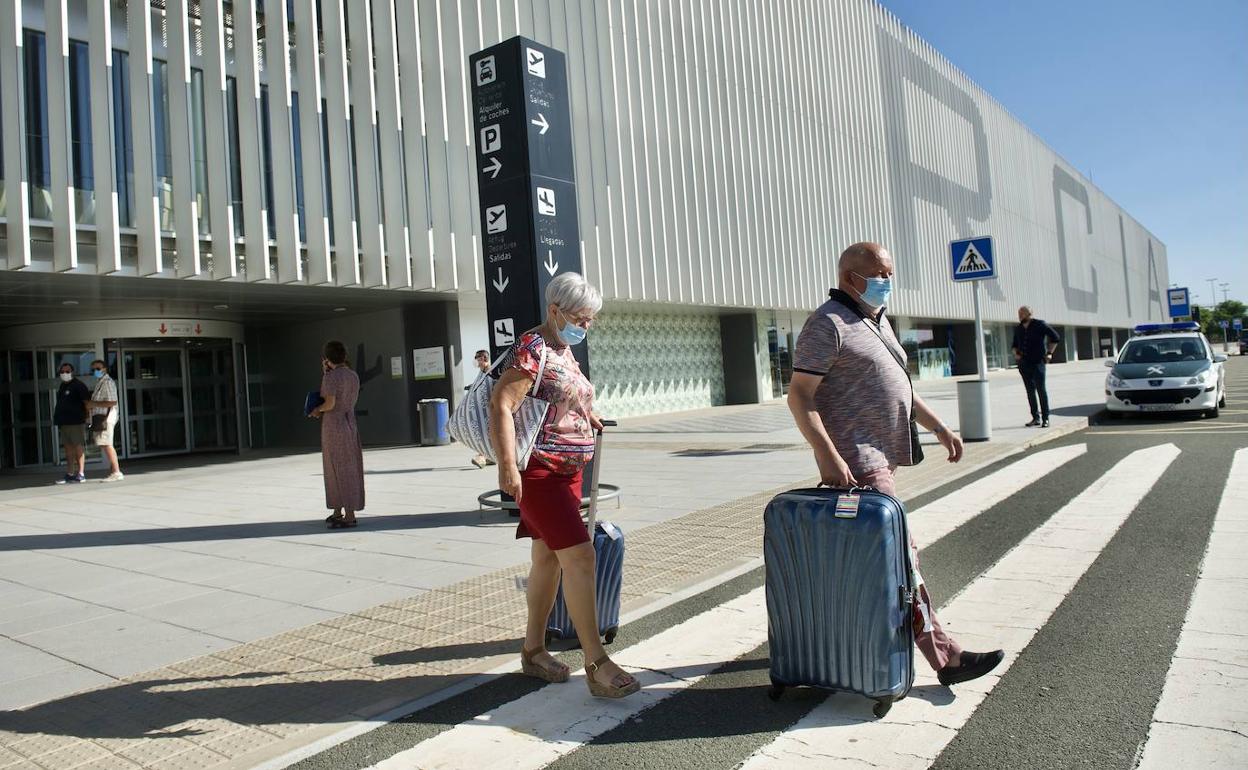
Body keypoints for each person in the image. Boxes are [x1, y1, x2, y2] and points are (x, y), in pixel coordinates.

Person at [787, 242, 1005, 688]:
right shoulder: (826, 322)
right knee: (902, 557)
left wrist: (939, 426)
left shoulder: (874, 320)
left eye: (890, 272)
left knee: (870, 559)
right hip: (857, 459)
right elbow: (800, 396)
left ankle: (839, 639)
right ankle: (946, 658)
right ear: (851, 277)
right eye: (881, 272)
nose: (888, 280)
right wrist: (827, 454)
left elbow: (900, 386)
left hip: (884, 453)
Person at [490, 272, 640, 699]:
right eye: (580, 317)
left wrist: (586, 416)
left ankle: (533, 650)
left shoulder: (563, 348)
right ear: (554, 311)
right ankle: (596, 663)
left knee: (548, 560)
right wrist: (507, 467)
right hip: (539, 473)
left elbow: (565, 396)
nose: (586, 326)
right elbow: (502, 403)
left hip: (567, 471)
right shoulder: (533, 348)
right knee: (581, 557)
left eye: (590, 319)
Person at [309, 340, 364, 528]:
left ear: (326, 358)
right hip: (350, 422)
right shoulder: (353, 375)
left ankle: (348, 514)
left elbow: (330, 403)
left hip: (334, 425)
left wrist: (317, 410)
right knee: (347, 465)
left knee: (336, 467)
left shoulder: (331, 378)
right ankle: (339, 510)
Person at [1011, 306, 1061, 427]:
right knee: (1030, 391)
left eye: (1022, 313)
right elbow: (1014, 345)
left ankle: (1045, 418)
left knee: (1041, 390)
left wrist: (1049, 353)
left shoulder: (1040, 325)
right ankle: (1035, 418)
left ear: (1029, 314)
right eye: (1019, 313)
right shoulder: (1018, 329)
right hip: (1023, 363)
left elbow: (1056, 338)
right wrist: (1016, 353)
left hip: (1038, 362)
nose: (1020, 316)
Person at [85, 360, 123, 482]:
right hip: (102, 417)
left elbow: (112, 402)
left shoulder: (107, 382)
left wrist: (93, 403)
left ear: (105, 369)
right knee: (105, 444)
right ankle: (113, 471)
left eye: (98, 368)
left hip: (106, 418)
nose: (95, 371)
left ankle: (116, 472)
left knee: (107, 444)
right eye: (93, 369)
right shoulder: (100, 382)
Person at [53, 362, 91, 484]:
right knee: (68, 449)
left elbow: (87, 403)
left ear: (72, 372)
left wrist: (88, 418)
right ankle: (70, 473)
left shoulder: (79, 385)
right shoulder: (62, 386)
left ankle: (81, 473)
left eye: (67, 371)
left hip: (76, 422)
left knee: (78, 446)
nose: (65, 374)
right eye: (62, 372)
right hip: (64, 422)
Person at [469, 349, 495, 469]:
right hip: (484, 407)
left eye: (478, 359)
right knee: (486, 431)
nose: (477, 362)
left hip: (491, 407)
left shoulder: (491, 371)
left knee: (485, 432)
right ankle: (489, 457)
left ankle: (481, 457)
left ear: (484, 359)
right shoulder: (482, 372)